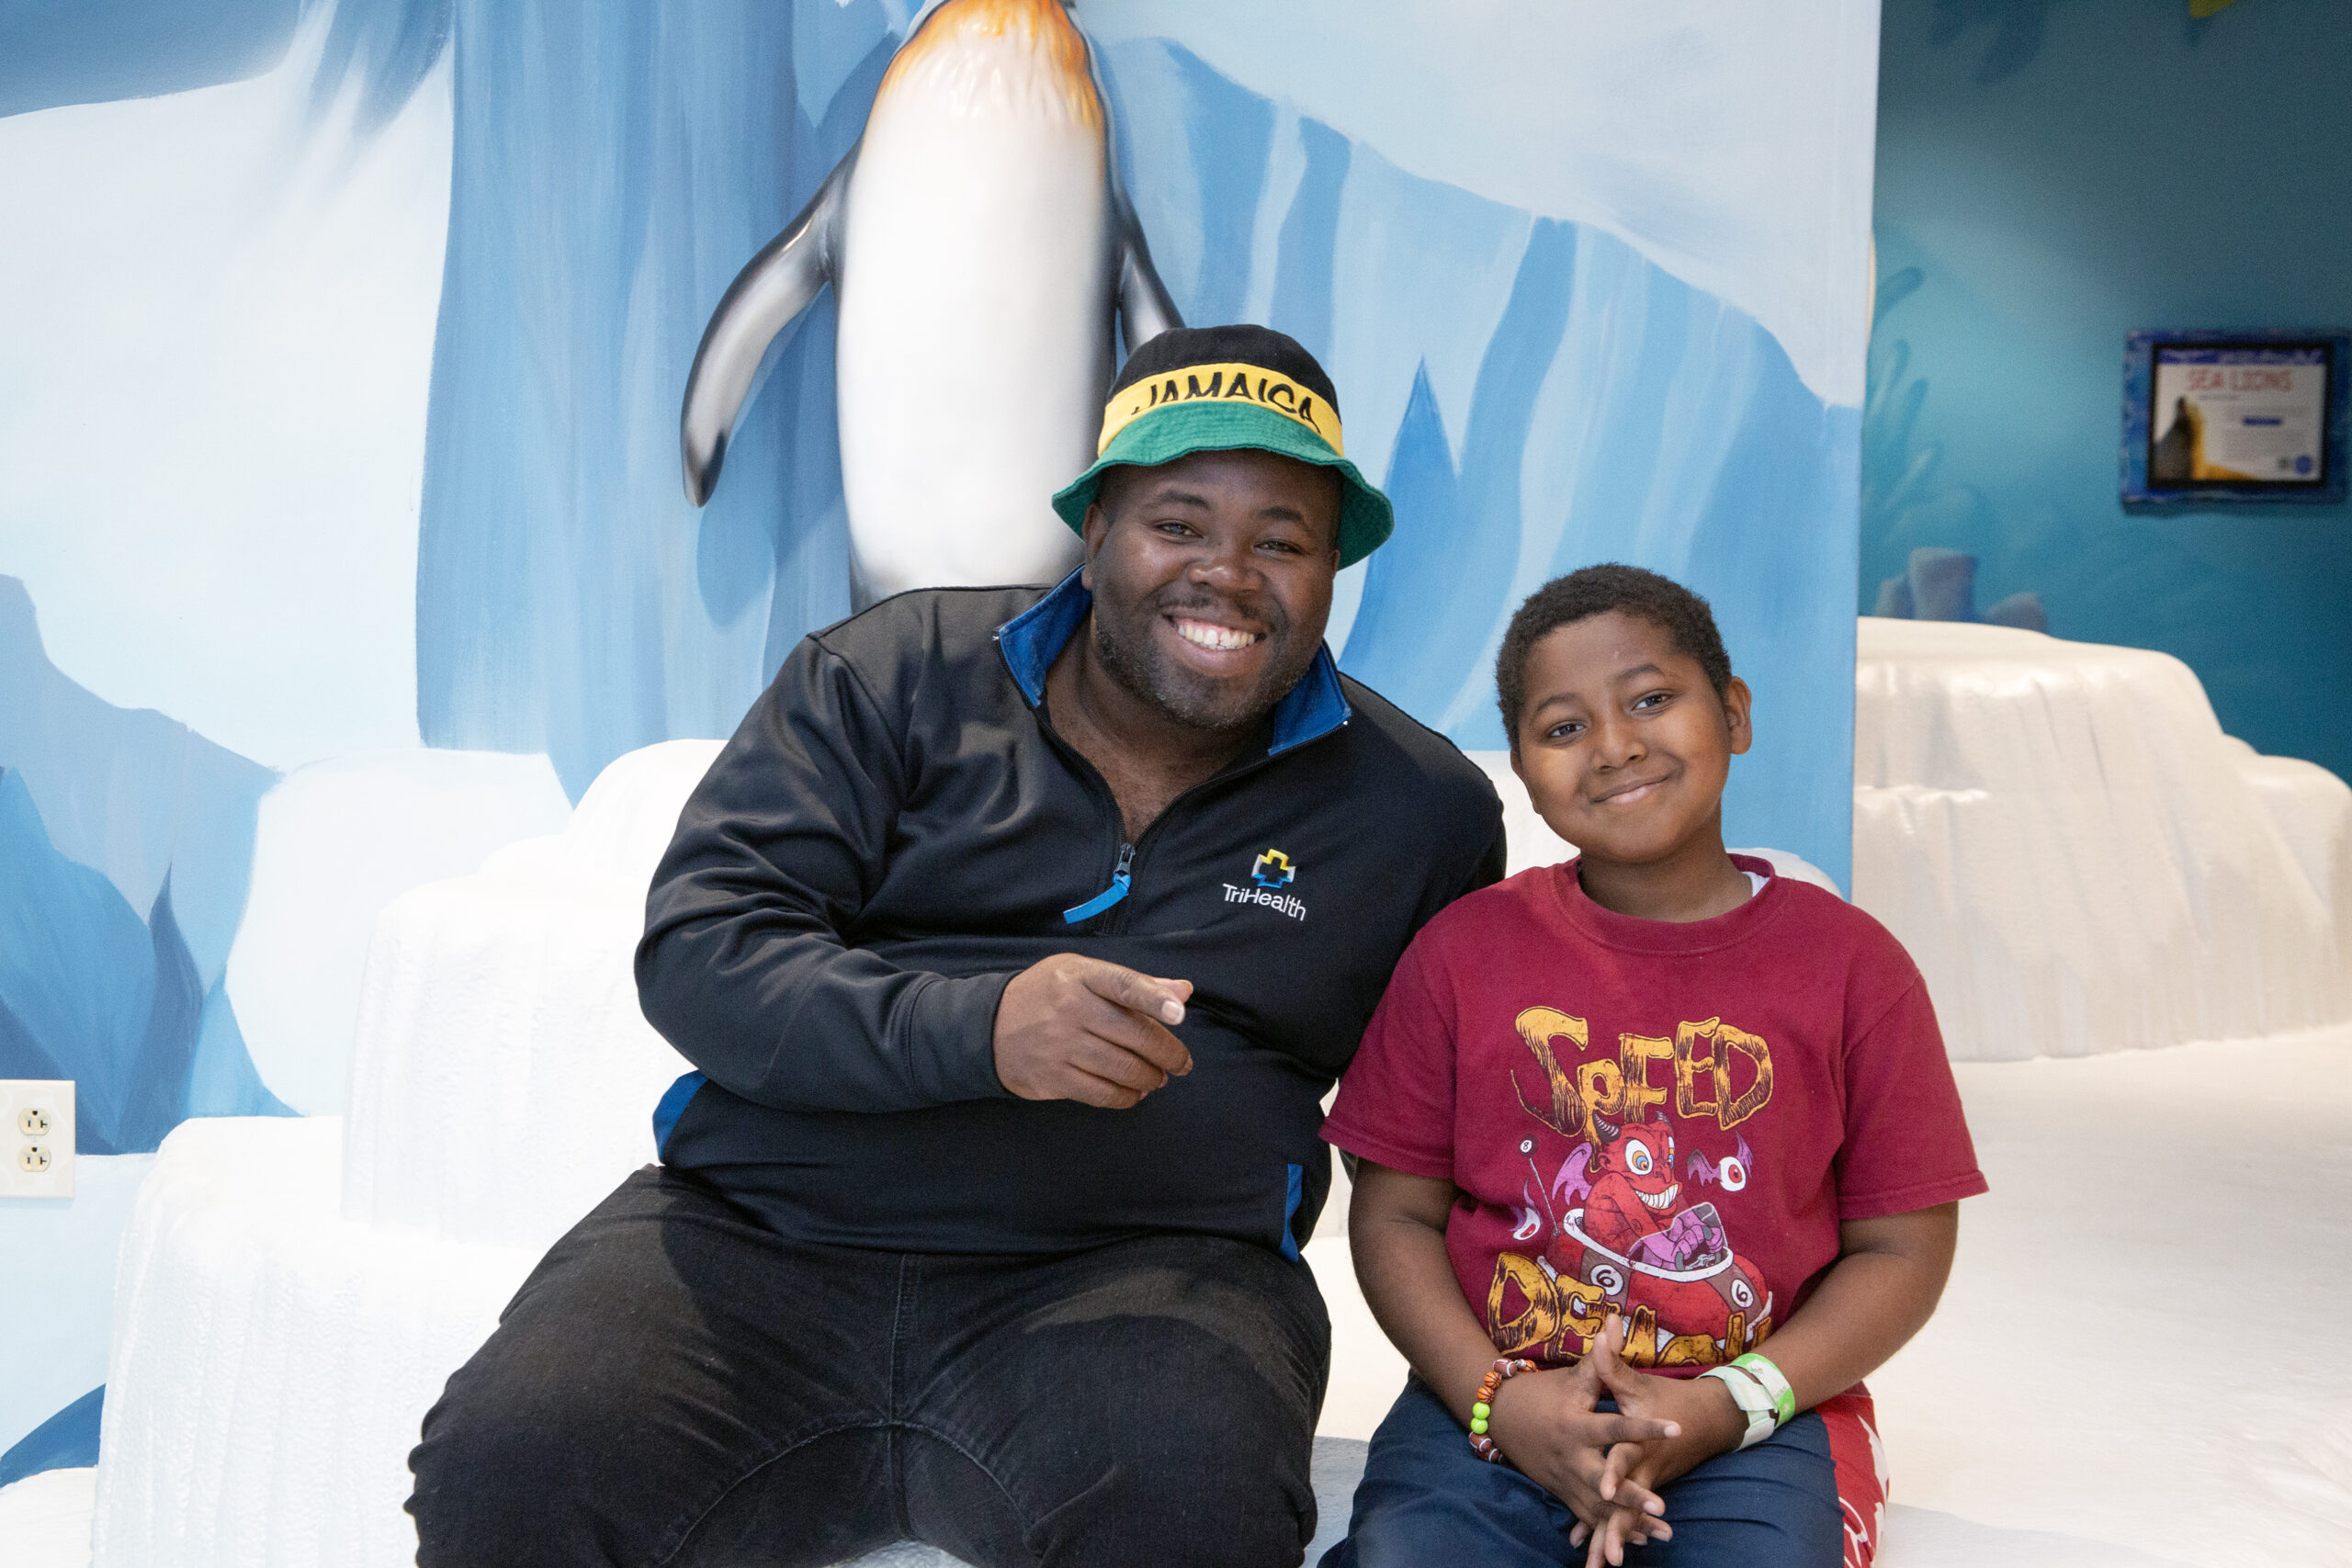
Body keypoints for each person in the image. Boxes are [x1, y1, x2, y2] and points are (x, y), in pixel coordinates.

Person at [404, 324, 1507, 1568]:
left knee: (1193, 1508)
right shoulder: (889, 674)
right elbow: (705, 951)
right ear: (1093, 536)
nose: (1229, 573)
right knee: (514, 1460)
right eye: (1180, 523)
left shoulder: (1418, 809)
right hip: (758, 1240)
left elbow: (1449, 1129)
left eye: (1282, 539)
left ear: (1334, 569)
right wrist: (982, 1029)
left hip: (1146, 1280)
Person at [1318, 564, 1987, 1568]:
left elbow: (1901, 1248)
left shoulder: (1855, 969)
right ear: (1523, 767)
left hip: (1747, 1408)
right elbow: (1394, 1214)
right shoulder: (1461, 954)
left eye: (1649, 700)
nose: (1616, 745)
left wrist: (1726, 1406)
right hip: (1498, 1404)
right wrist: (1497, 1402)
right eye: (1562, 727)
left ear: (1733, 712)